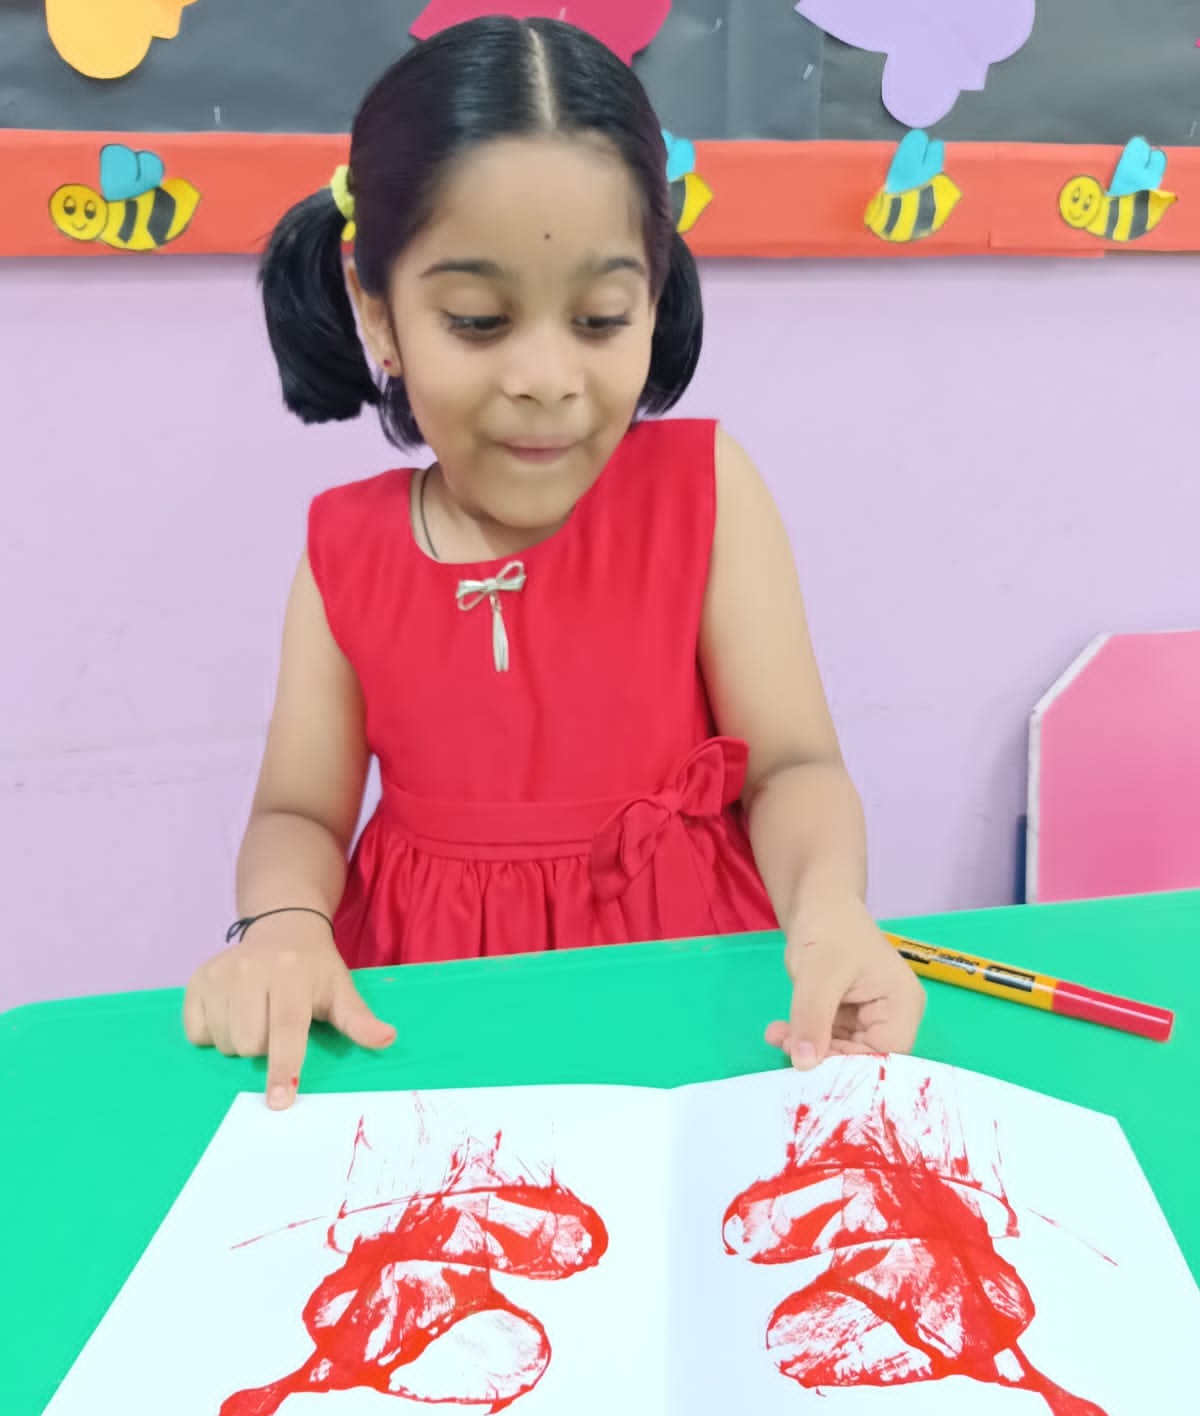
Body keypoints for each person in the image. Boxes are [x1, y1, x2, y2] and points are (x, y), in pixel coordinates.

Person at [183, 16, 924, 1109]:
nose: (547, 376)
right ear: (380, 316)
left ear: (655, 297)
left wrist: (828, 909)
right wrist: (284, 927)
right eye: (479, 320)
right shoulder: (345, 550)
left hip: (696, 987)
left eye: (599, 317)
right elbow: (297, 813)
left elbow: (793, 769)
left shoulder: (706, 495)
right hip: (425, 1014)